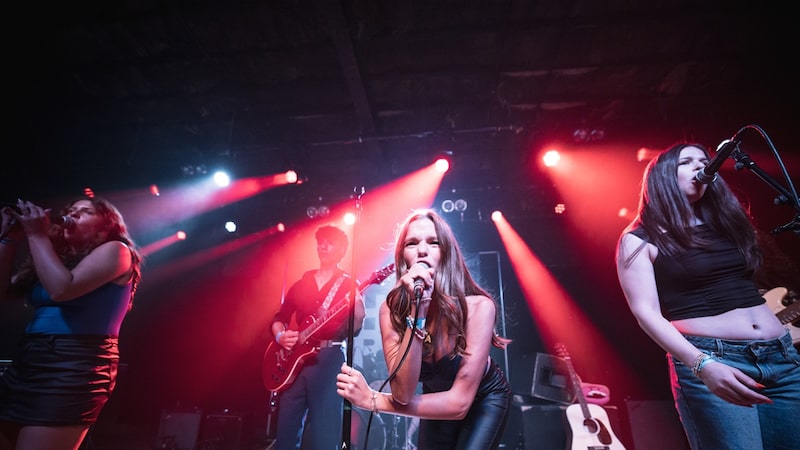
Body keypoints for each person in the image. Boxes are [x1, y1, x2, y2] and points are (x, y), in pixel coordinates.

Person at [615, 142, 800, 449]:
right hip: (716, 359)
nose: (700, 166)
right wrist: (702, 364)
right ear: (662, 178)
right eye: (686, 162)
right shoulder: (639, 239)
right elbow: (645, 312)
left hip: (781, 357)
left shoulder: (731, 226)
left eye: (704, 160)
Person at [336, 209, 511, 450]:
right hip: (435, 400)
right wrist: (417, 312)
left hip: (483, 399)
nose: (421, 250)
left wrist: (373, 399)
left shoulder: (479, 308)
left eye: (433, 242)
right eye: (412, 243)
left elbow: (460, 404)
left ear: (446, 254)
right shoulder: (391, 310)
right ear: (403, 258)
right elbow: (403, 393)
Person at [0, 197, 143, 450]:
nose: (74, 215)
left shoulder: (117, 250)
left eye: (85, 212)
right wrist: (8, 240)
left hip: (75, 364)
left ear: (104, 227)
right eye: (71, 210)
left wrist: (36, 235)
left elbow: (61, 289)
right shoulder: (55, 259)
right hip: (29, 360)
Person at [269, 224, 366, 450]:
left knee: (325, 431)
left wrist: (359, 316)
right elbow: (278, 318)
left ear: (341, 251)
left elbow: (355, 328)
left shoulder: (348, 285)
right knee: (286, 429)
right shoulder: (302, 283)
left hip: (329, 358)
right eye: (320, 242)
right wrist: (281, 336)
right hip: (295, 364)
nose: (323, 246)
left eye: (329, 242)